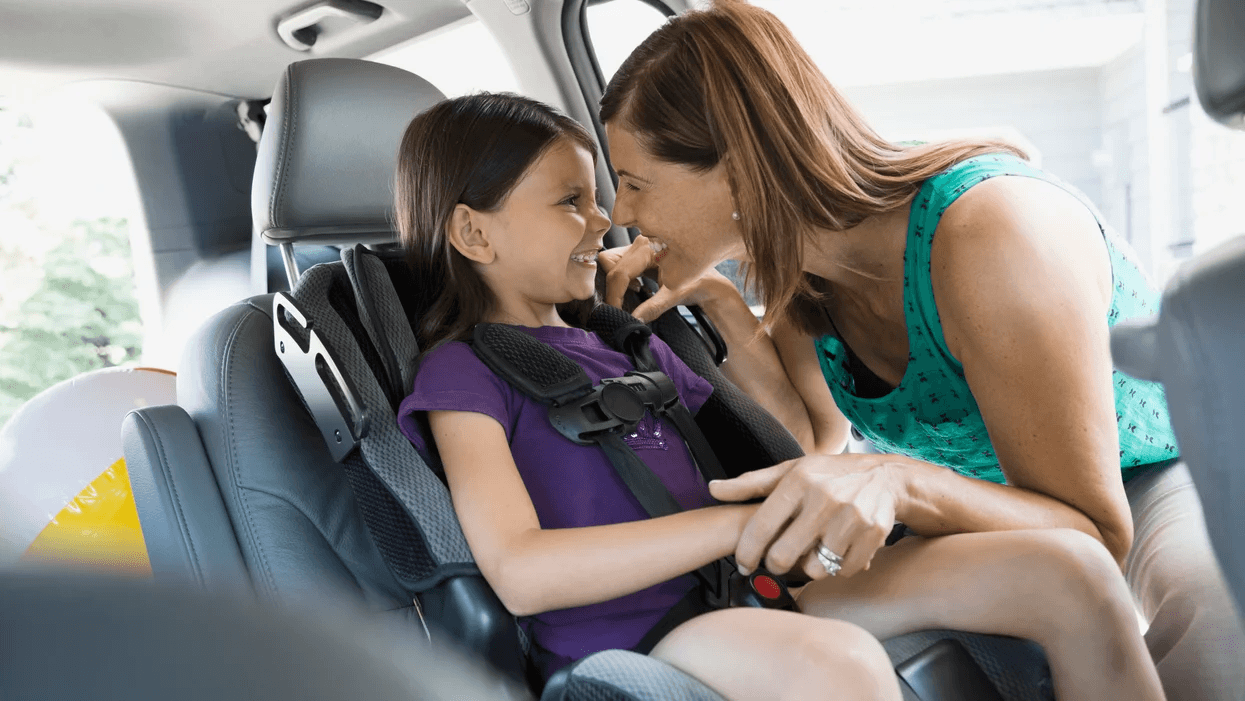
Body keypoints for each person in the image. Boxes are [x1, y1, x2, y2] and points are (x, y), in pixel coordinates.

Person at [391, 92, 1164, 701]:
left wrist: (723, 313)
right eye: (571, 202)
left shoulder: (621, 342)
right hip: (655, 627)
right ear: (473, 232)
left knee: (1071, 572)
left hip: (760, 583)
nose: (606, 219)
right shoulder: (462, 375)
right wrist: (726, 528)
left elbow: (794, 439)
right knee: (840, 667)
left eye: (605, 193)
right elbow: (521, 570)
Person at [594, 2, 1245, 699]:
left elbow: (1091, 534)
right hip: (974, 501)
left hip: (1145, 477)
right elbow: (813, 438)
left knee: (1217, 626)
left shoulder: (992, 234)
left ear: (739, 170)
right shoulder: (802, 264)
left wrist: (902, 479)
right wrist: (721, 308)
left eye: (635, 183)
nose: (621, 214)